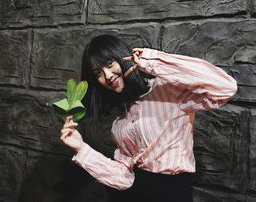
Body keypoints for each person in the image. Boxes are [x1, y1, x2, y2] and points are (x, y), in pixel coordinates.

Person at [60, 34, 237, 201]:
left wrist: (154, 61)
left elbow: (225, 88)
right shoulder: (121, 120)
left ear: (121, 57)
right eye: (98, 73)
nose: (107, 76)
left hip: (172, 193)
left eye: (109, 64)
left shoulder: (167, 89)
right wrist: (82, 148)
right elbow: (124, 179)